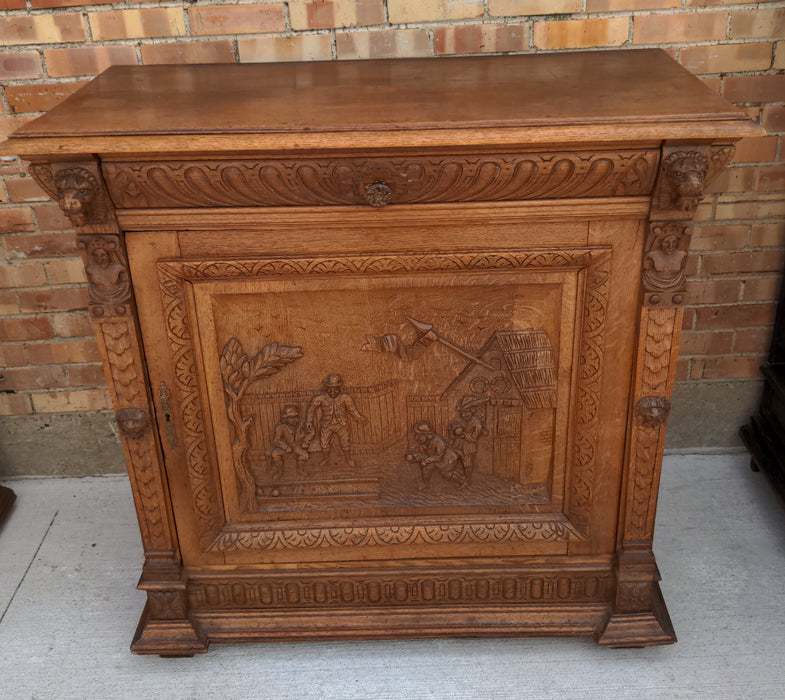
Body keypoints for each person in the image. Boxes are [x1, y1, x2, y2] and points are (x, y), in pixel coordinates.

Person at [306, 373, 367, 467]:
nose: (333, 391)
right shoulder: (320, 398)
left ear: (339, 388)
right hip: (326, 425)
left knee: (345, 442)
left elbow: (352, 410)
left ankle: (348, 458)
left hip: (341, 424)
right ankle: (325, 459)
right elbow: (311, 409)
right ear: (326, 388)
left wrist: (359, 418)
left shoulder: (345, 398)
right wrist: (309, 421)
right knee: (324, 443)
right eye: (330, 388)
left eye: (335, 389)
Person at [407, 421, 466, 489]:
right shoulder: (424, 443)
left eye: (420, 435)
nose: (417, 437)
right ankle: (426, 484)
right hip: (435, 458)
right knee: (426, 468)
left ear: (427, 435)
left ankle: (462, 481)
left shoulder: (438, 442)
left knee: (446, 473)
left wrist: (426, 461)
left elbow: (439, 457)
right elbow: (427, 455)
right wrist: (415, 457)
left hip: (448, 459)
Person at [267, 405, 309, 480]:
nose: (294, 419)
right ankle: (279, 472)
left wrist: (306, 441)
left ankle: (300, 470)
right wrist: (285, 447)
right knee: (275, 454)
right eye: (291, 418)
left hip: (297, 446)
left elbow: (311, 432)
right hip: (285, 446)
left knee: (305, 455)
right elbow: (276, 440)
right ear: (286, 419)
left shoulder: (301, 424)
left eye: (295, 417)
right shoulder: (281, 427)